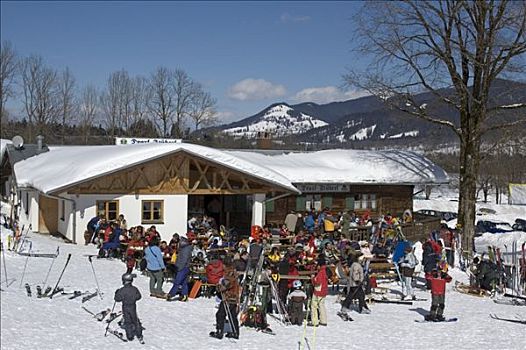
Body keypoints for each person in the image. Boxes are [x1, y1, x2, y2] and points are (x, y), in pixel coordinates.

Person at [209, 258, 240, 340]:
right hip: (233, 297)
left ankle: (219, 332)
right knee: (232, 315)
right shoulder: (232, 272)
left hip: (228, 297)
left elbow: (226, 285)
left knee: (220, 314)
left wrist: (218, 287)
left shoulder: (229, 273)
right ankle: (235, 332)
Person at [115, 273, 143, 343]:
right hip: (133, 306)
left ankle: (130, 336)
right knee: (135, 320)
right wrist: (134, 298)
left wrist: (116, 293)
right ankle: (139, 334)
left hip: (125, 307)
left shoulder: (122, 290)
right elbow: (139, 296)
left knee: (127, 321)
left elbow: (117, 299)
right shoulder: (134, 289)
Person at [340, 253, 370, 318]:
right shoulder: (356, 265)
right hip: (355, 283)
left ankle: (345, 307)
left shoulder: (356, 264)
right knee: (360, 295)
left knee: (352, 295)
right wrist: (357, 280)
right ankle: (362, 308)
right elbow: (355, 273)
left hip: (354, 283)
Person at [167, 236, 193, 301]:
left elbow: (183, 260)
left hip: (183, 268)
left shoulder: (185, 250)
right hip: (185, 267)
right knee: (184, 282)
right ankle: (184, 295)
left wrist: (179, 268)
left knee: (177, 282)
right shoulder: (185, 249)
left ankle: (171, 294)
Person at [309, 255, 328, 327]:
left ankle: (314, 321)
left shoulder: (320, 272)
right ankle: (323, 320)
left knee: (314, 305)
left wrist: (313, 278)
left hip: (318, 291)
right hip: (324, 291)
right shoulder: (325, 271)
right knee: (321, 305)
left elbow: (317, 282)